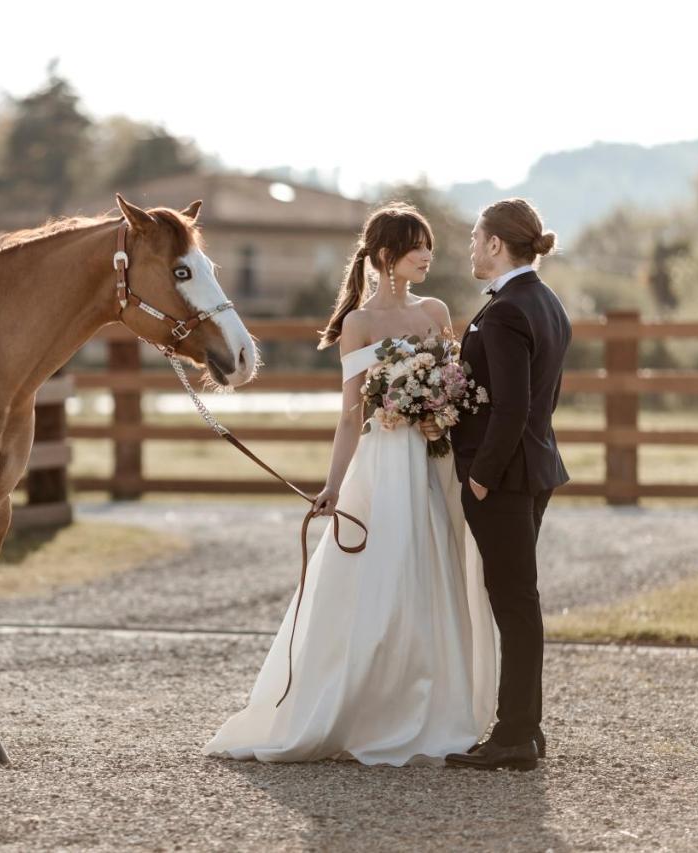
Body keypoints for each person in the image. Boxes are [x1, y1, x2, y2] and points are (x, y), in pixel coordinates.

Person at [203, 202, 497, 765]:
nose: (428, 256)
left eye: (429, 245)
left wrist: (441, 410)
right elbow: (348, 415)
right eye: (417, 246)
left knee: (432, 575)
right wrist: (333, 487)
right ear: (387, 255)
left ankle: (434, 705)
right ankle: (364, 707)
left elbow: (457, 386)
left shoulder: (436, 311)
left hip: (433, 462)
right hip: (383, 464)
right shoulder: (358, 325)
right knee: (380, 580)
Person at [445, 198, 571, 772]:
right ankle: (525, 728)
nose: (471, 246)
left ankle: (516, 733)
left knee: (515, 604)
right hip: (535, 468)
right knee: (520, 602)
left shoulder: (505, 311)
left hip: (506, 478)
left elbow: (514, 406)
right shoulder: (546, 302)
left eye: (475, 237)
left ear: (496, 244)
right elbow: (543, 401)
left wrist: (480, 478)